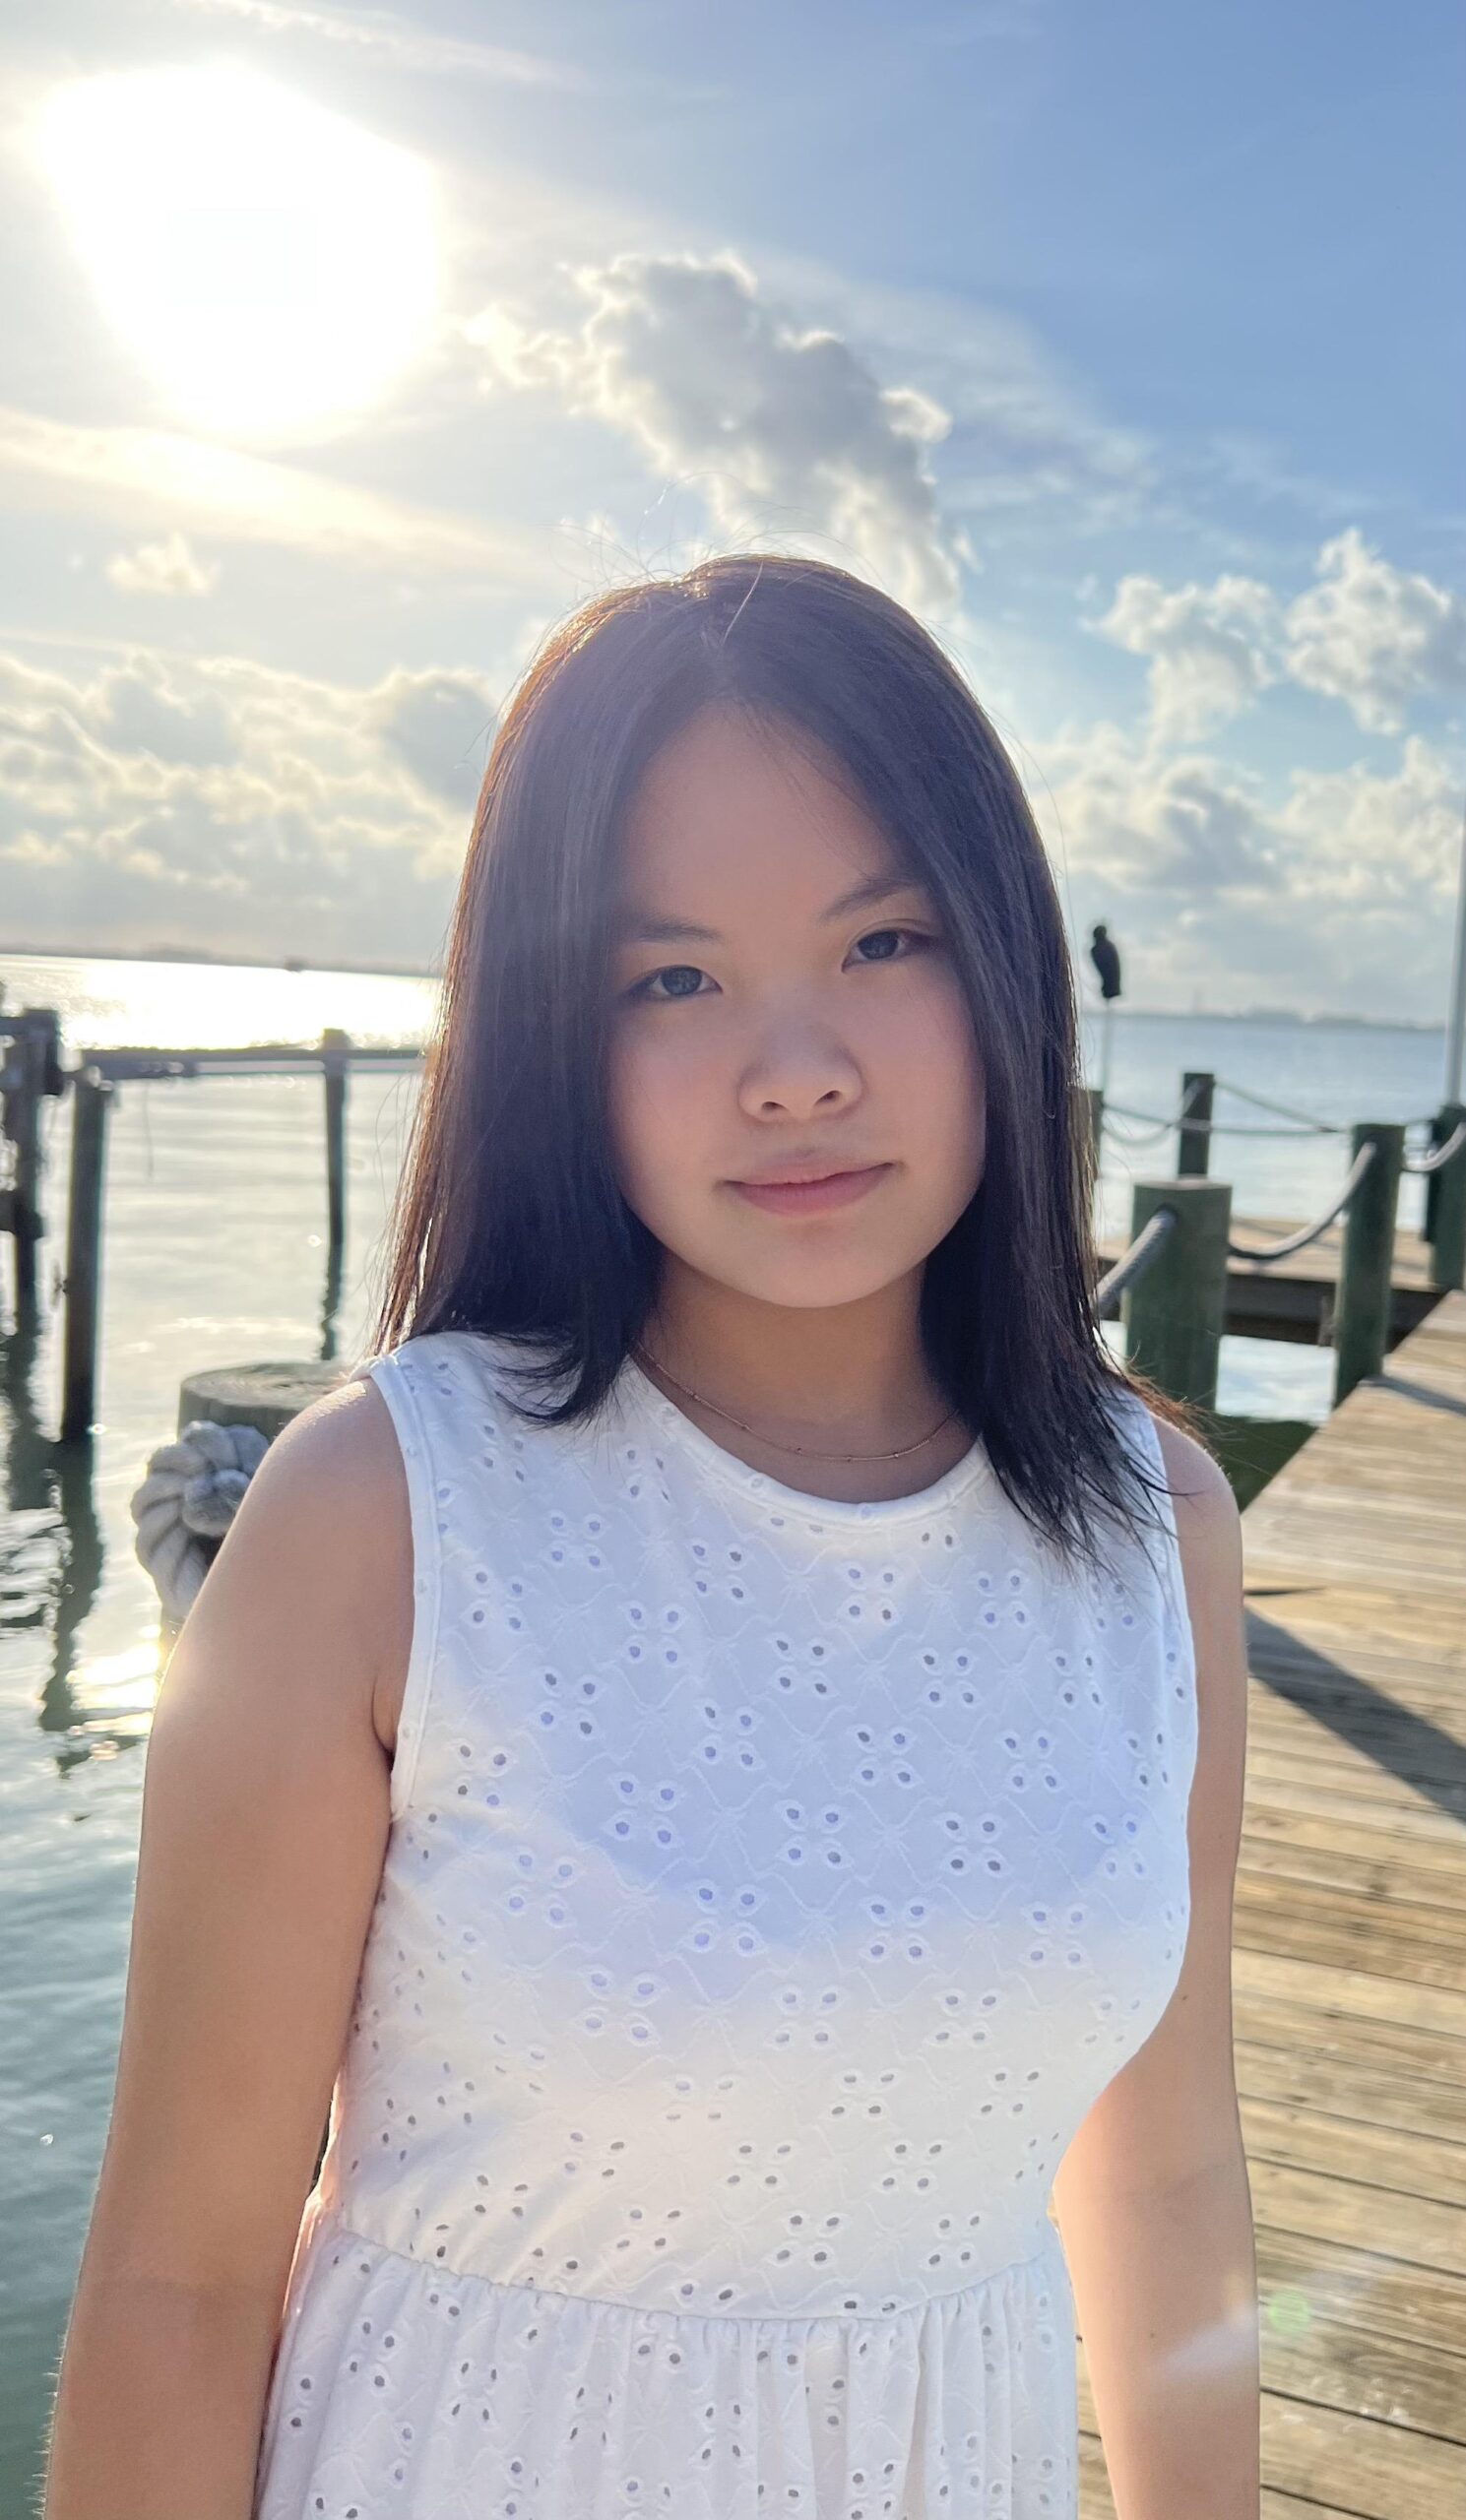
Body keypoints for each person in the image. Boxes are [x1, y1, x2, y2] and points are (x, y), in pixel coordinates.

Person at [42, 553, 1259, 2520]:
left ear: (1007, 963)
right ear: (557, 1032)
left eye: (883, 940)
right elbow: (181, 2282)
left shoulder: (1154, 1529)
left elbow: (1168, 2167)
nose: (797, 1068)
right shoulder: (384, 1516)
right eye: (672, 978)